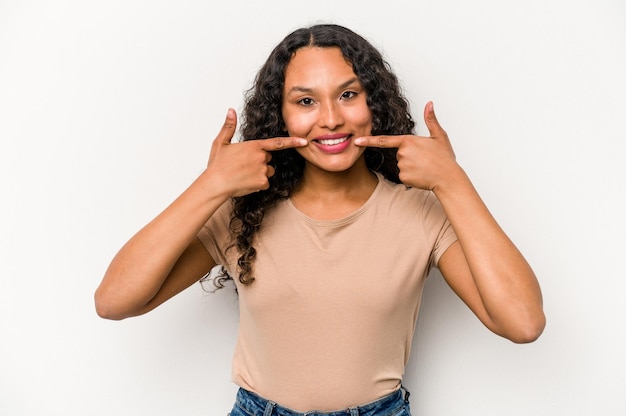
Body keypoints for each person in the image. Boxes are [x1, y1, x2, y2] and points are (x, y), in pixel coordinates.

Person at [95, 24, 545, 415]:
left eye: (348, 94)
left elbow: (523, 323)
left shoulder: (420, 210)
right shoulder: (242, 210)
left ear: (374, 102)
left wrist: (453, 181)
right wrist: (211, 184)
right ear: (281, 116)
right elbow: (115, 301)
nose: (330, 119)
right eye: (306, 101)